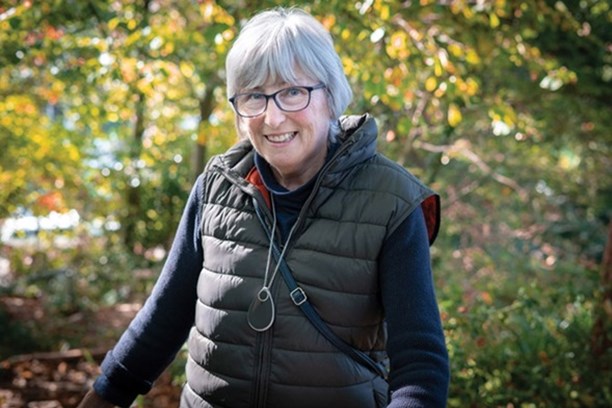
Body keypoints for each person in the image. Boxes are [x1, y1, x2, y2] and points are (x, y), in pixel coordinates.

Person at [78, 7, 449, 408]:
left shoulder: (392, 202)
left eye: (293, 91)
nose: (272, 117)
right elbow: (163, 321)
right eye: (254, 96)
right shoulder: (216, 188)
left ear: (331, 95)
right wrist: (104, 395)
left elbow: (420, 368)